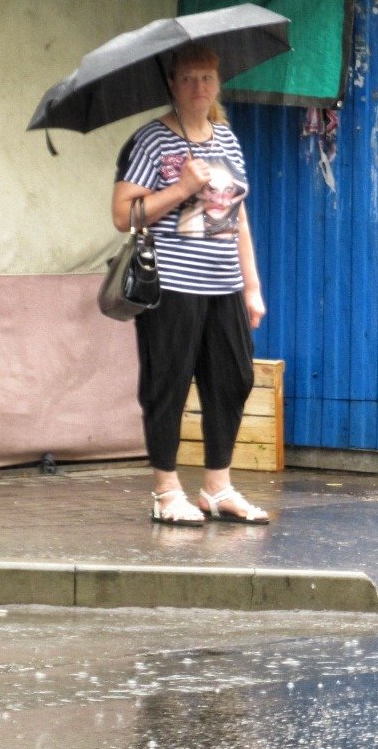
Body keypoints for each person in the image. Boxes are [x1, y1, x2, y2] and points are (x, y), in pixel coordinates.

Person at [111, 44, 270, 525]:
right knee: (168, 383)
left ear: (217, 85)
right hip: (173, 286)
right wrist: (180, 189)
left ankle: (217, 488)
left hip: (223, 284)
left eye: (206, 78)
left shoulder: (227, 140)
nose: (198, 87)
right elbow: (123, 214)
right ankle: (165, 491)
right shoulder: (152, 141)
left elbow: (237, 219)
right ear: (173, 86)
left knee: (233, 379)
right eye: (188, 79)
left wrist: (251, 286)